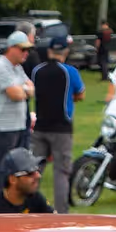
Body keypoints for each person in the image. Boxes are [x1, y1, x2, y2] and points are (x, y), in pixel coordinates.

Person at [31, 31, 83, 213]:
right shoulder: (70, 72)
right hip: (62, 128)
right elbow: (80, 94)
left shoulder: (37, 71)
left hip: (40, 126)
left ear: (50, 51)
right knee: (61, 173)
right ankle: (61, 213)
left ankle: (30, 207)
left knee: (34, 170)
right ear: (65, 52)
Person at [0, 30, 33, 195]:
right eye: (22, 49)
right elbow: (15, 94)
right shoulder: (0, 67)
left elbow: (31, 88)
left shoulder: (17, 68)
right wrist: (24, 90)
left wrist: (24, 90)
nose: (26, 53)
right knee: (1, 169)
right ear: (11, 48)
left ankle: (11, 201)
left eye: (28, 50)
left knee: (16, 169)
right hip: (2, 129)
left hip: (17, 127)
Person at [0, 145, 52, 213]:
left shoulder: (36, 199)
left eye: (37, 170)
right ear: (13, 179)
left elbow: (55, 220)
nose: (38, 176)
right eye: (30, 173)